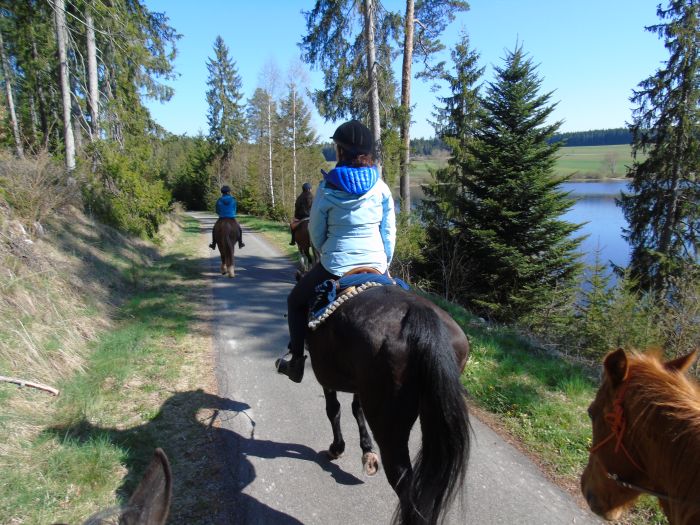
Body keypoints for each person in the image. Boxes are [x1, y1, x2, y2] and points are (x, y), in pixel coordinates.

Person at [275, 120, 396, 383]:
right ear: (367, 153)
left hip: (336, 265)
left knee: (295, 302)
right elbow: (388, 232)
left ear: (340, 151)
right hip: (377, 265)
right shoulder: (381, 187)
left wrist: (327, 252)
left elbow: (316, 233)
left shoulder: (328, 188)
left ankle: (296, 362)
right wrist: (385, 262)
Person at [209, 185, 245, 250]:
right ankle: (240, 243)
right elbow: (235, 210)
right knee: (239, 229)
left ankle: (213, 244)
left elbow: (217, 211)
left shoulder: (219, 200)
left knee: (214, 229)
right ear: (229, 192)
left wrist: (221, 213)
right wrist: (232, 213)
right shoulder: (233, 200)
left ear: (222, 192)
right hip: (231, 218)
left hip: (222, 218)